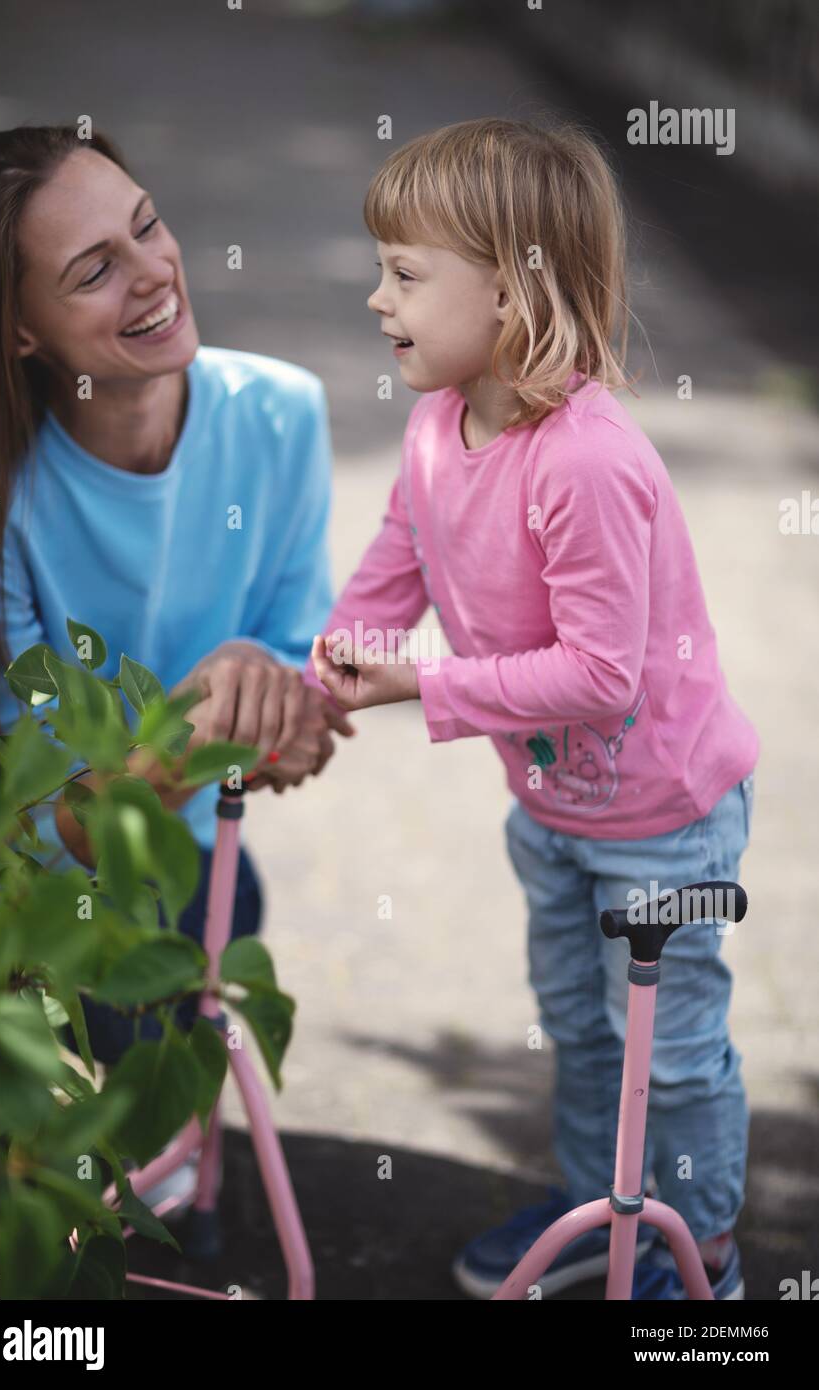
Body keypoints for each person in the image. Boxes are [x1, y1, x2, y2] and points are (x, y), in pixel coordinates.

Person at [307, 116, 759, 1300]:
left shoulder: (584, 461)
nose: (376, 299)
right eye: (381, 270)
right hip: (552, 807)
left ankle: (690, 1247)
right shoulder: (430, 426)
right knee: (579, 1027)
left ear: (510, 294)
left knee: (667, 1058)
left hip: (660, 817)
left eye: (404, 275)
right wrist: (316, 690)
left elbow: (600, 674)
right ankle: (599, 1208)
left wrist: (423, 685)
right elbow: (389, 571)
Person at [0, 124, 354, 1205]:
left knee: (211, 924)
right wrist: (216, 706)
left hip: (184, 863)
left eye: (147, 226)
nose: (153, 275)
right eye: (93, 270)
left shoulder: (279, 414)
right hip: (10, 922)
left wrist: (264, 701)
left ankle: (154, 1158)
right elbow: (45, 828)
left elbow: (301, 706)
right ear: (19, 332)